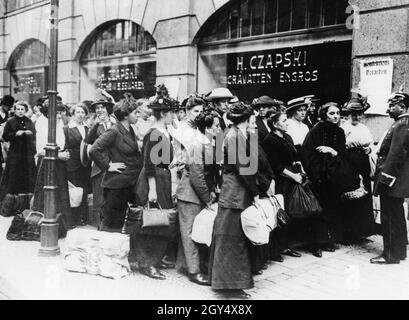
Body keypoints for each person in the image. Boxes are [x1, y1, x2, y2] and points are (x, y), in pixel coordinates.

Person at [209, 102, 259, 299]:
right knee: (232, 239)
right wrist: (255, 191)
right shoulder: (235, 136)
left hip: (231, 190)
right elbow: (245, 169)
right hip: (236, 192)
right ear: (245, 120)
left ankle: (222, 281)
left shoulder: (229, 133)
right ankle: (230, 286)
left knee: (226, 236)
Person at [132, 94, 179, 280]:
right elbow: (150, 163)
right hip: (154, 179)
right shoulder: (154, 133)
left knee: (161, 218)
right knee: (151, 218)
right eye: (171, 113)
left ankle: (155, 258)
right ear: (164, 114)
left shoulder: (164, 131)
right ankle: (147, 262)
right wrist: (151, 189)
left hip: (163, 177)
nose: (174, 116)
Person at [302, 102, 358, 252]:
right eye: (332, 113)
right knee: (318, 210)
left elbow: (342, 153)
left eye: (338, 113)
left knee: (332, 208)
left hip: (334, 176)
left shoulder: (339, 132)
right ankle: (315, 244)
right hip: (319, 176)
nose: (336, 116)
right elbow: (307, 153)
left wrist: (332, 152)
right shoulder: (315, 131)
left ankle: (328, 240)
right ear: (324, 115)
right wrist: (316, 175)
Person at [176, 110, 220, 286]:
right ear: (207, 128)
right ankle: (194, 271)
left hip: (196, 194)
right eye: (216, 126)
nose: (219, 128)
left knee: (189, 231)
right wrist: (207, 198)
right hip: (189, 195)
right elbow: (197, 176)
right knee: (189, 233)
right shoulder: (197, 145)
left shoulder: (207, 143)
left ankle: (183, 265)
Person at [90, 96, 141, 233]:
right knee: (112, 225)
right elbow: (94, 149)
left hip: (127, 183)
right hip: (116, 186)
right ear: (125, 115)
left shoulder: (130, 130)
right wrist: (107, 166)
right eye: (135, 112)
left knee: (119, 222)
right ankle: (107, 252)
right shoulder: (114, 131)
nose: (138, 115)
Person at [262, 111, 308, 260]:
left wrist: (299, 166)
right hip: (282, 181)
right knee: (280, 214)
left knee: (290, 213)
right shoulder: (270, 140)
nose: (287, 122)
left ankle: (286, 246)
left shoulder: (287, 137)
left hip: (293, 180)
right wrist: (294, 176)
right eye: (284, 120)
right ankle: (275, 250)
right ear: (275, 124)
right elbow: (276, 165)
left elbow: (294, 156)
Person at [371, 91, 409, 264]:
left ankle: (390, 255)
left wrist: (385, 180)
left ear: (401, 107)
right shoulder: (402, 122)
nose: (388, 108)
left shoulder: (401, 124)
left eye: (392, 105)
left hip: (392, 181)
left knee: (390, 218)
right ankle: (399, 252)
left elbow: (395, 155)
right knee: (398, 216)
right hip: (399, 181)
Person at [340, 97, 376, 244]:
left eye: (359, 114)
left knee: (363, 197)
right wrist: (348, 145)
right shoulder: (343, 128)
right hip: (349, 165)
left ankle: (361, 232)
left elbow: (371, 145)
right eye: (353, 114)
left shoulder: (364, 128)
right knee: (351, 197)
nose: (356, 117)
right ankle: (348, 234)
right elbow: (339, 147)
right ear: (348, 114)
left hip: (363, 164)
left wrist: (368, 149)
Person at [32, 101, 72, 228]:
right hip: (47, 164)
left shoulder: (59, 124)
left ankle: (61, 225)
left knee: (60, 193)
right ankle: (43, 225)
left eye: (60, 112)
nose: (59, 115)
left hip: (59, 165)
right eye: (56, 112)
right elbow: (41, 150)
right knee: (47, 193)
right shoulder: (42, 123)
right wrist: (59, 155)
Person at [247, 114, 276, 272]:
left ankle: (261, 259)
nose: (256, 126)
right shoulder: (246, 144)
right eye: (252, 124)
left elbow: (266, 162)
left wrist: (271, 178)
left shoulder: (255, 142)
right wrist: (265, 184)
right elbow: (253, 170)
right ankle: (255, 263)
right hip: (258, 186)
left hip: (266, 183)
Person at [83, 97, 116, 228]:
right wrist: (96, 124)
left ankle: (109, 224)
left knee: (111, 197)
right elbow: (88, 141)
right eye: (97, 108)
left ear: (107, 109)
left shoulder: (115, 123)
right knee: (99, 196)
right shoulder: (95, 125)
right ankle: (99, 225)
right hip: (99, 165)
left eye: (102, 107)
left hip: (114, 164)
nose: (100, 110)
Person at [0, 102, 36, 208]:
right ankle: (12, 204)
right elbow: (5, 136)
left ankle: (25, 204)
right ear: (15, 110)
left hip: (27, 153)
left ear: (25, 111)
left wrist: (30, 133)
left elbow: (34, 133)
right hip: (15, 153)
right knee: (14, 176)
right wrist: (15, 134)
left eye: (22, 109)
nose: (20, 111)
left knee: (27, 176)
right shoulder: (10, 122)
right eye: (18, 109)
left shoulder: (29, 121)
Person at [63, 104, 92, 227]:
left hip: (85, 163)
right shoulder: (67, 128)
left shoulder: (88, 128)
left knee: (84, 189)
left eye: (82, 112)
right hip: (72, 163)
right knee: (74, 190)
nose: (80, 115)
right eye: (78, 112)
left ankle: (82, 216)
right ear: (73, 114)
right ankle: (73, 218)